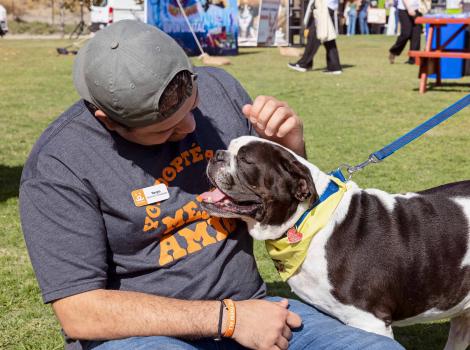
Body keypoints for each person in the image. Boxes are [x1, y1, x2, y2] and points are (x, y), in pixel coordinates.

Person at [20, 20, 405, 350]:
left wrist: (292, 146)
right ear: (107, 120)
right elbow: (79, 311)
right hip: (142, 335)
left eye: (192, 108)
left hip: (256, 312)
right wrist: (229, 318)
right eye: (165, 129)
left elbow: (278, 197)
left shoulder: (221, 88)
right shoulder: (59, 165)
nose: (189, 128)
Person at [287, 0, 343, 74]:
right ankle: (334, 66)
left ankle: (304, 64)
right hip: (326, 7)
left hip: (324, 7)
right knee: (327, 38)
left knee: (314, 35)